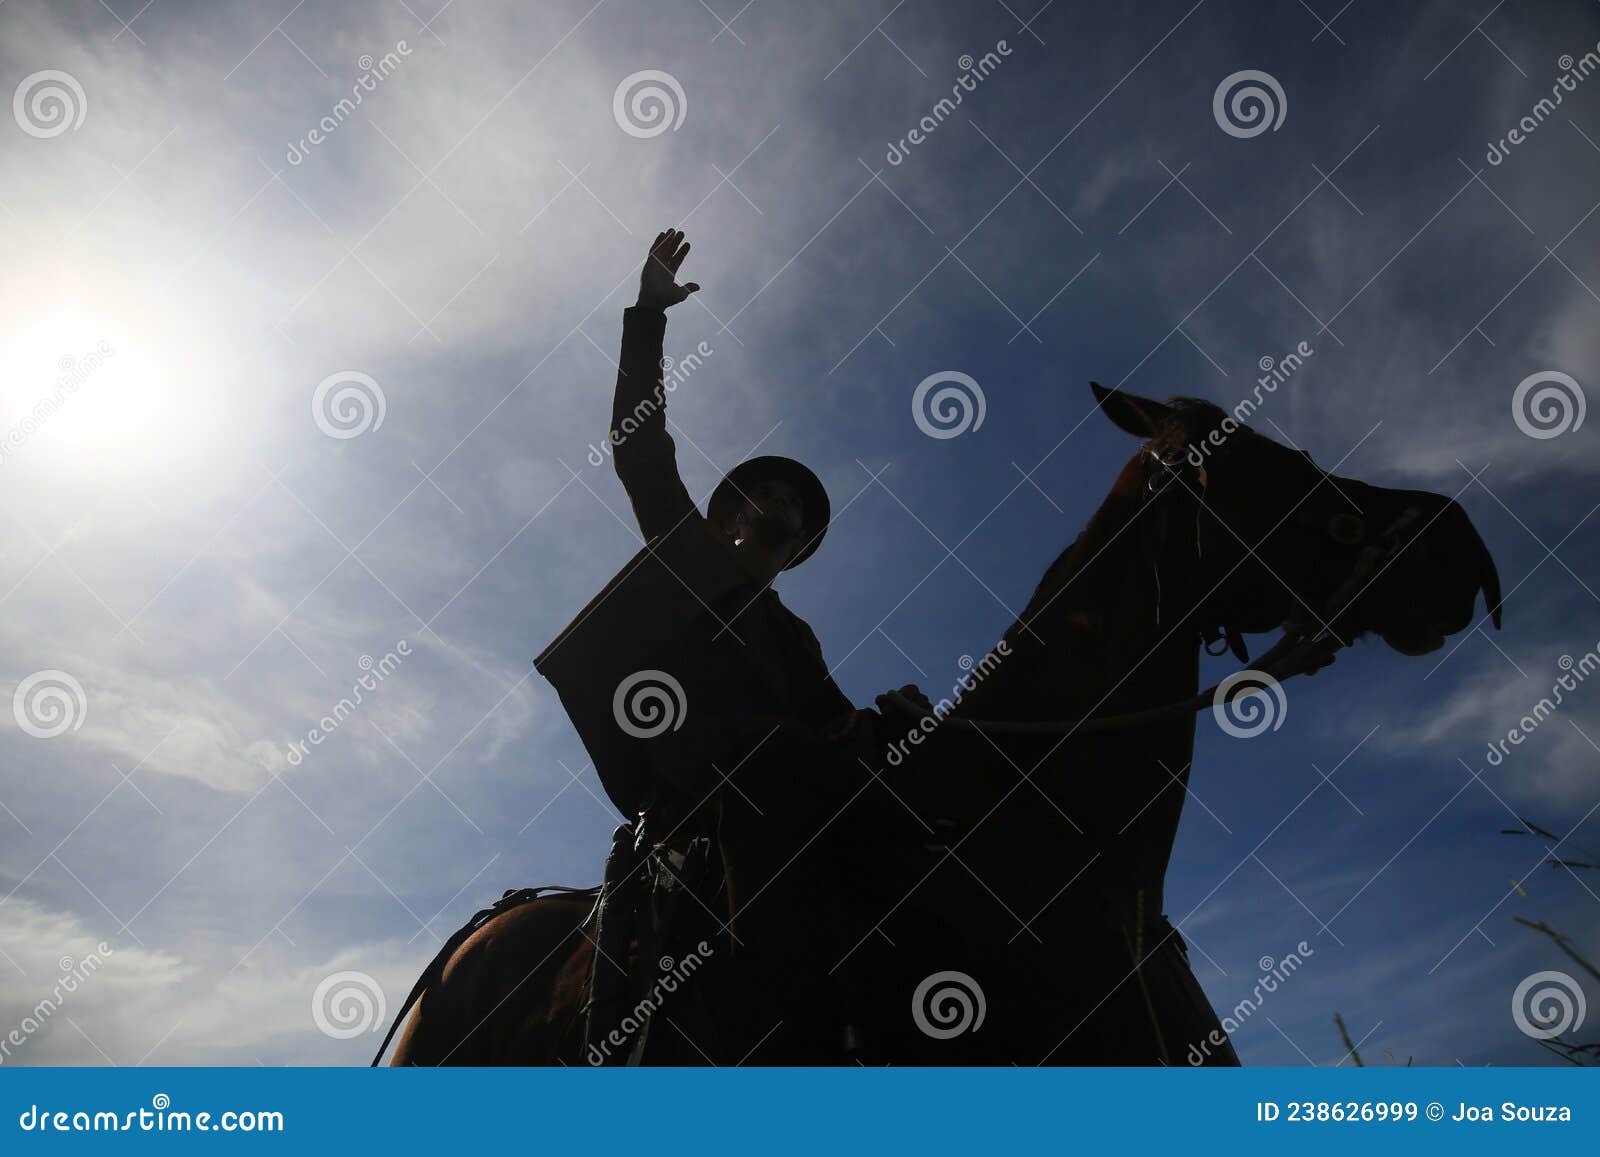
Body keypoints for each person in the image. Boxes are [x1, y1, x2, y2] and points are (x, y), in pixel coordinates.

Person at [601, 229, 930, 1061]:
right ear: (728, 516)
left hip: (785, 819)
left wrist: (899, 728)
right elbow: (640, 450)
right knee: (775, 768)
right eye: (768, 493)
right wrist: (648, 317)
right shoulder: (688, 557)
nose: (785, 504)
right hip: (693, 804)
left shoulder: (794, 638)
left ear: (802, 548)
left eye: (800, 509)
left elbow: (836, 731)